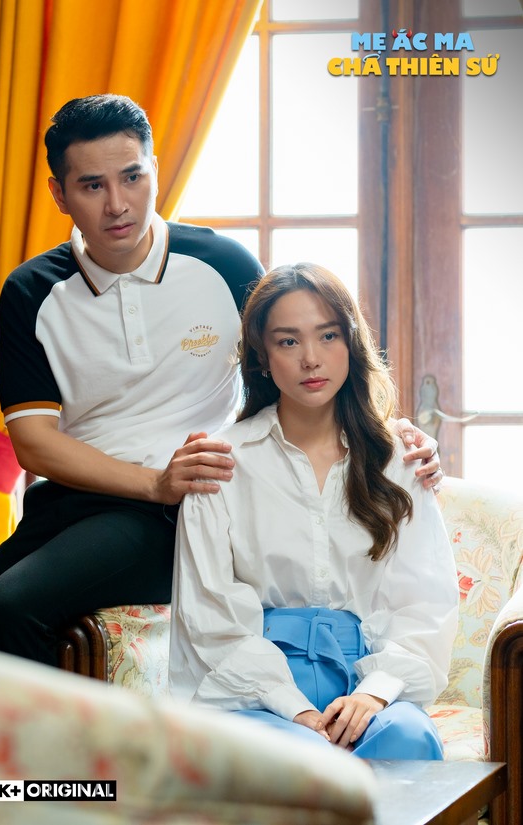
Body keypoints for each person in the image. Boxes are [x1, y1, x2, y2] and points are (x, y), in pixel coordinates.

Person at [0, 95, 441, 668]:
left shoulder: (224, 265)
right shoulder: (31, 290)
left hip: (188, 508)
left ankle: (59, 734)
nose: (117, 204)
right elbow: (34, 444)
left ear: (154, 170)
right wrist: (153, 481)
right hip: (75, 501)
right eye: (92, 186)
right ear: (59, 194)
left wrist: (390, 434)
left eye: (132, 177)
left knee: (11, 607)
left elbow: (301, 358)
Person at [169, 263, 459, 760]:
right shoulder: (221, 462)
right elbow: (208, 612)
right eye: (288, 341)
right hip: (257, 687)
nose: (311, 359)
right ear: (262, 357)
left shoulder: (400, 459)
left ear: (351, 343)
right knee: (296, 757)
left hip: (367, 676)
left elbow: (425, 602)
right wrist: (293, 707)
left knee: (407, 739)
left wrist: (373, 694)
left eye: (328, 336)